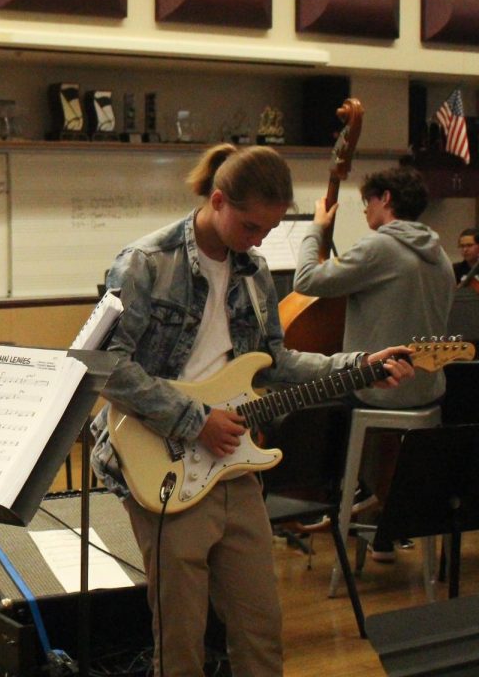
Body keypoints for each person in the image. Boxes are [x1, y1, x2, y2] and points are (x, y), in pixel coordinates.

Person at [89, 144, 413, 677]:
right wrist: (196, 421)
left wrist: (361, 363)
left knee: (261, 629)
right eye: (250, 226)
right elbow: (105, 365)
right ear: (218, 201)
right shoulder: (146, 262)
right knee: (181, 644)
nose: (259, 239)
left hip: (235, 463)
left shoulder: (255, 272)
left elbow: (274, 362)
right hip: (160, 460)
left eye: (268, 228)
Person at [292, 166, 454, 561]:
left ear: (386, 199)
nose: (366, 212)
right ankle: (380, 512)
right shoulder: (438, 252)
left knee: (310, 393)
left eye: (368, 202)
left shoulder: (382, 246)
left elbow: (306, 280)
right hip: (427, 393)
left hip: (385, 393)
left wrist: (316, 227)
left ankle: (340, 494)